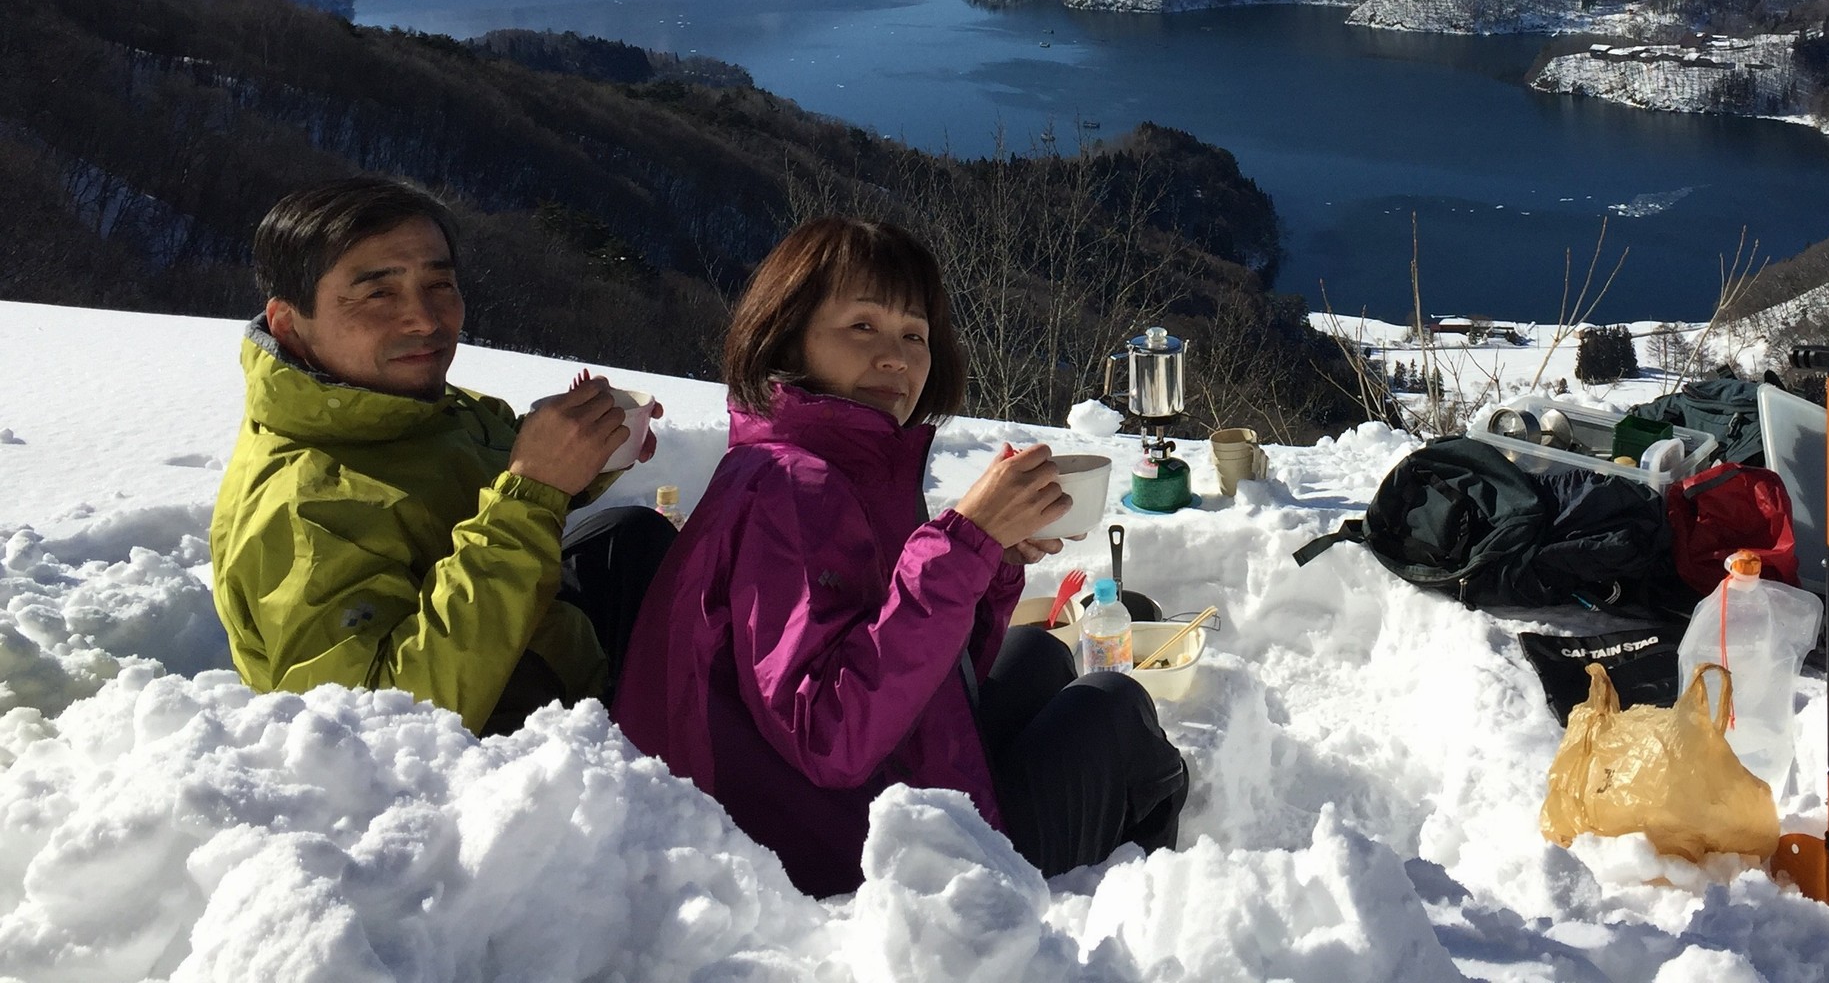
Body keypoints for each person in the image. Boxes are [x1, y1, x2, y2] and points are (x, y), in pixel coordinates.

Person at [614, 217, 1188, 895]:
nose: (896, 357)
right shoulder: (795, 487)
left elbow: (922, 668)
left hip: (832, 801)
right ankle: (1128, 928)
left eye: (914, 335)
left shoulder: (843, 468)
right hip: (838, 868)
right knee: (1113, 710)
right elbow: (832, 733)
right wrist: (964, 543)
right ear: (787, 332)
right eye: (862, 326)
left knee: (1041, 657)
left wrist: (990, 563)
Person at [210, 176, 677, 735]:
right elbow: (383, 729)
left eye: (440, 285)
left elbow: (489, 480)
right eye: (378, 293)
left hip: (528, 638)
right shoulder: (300, 509)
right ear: (290, 324)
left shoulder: (415, 404)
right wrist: (534, 491)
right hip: (495, 756)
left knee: (629, 537)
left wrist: (584, 454)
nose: (427, 320)